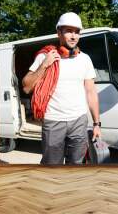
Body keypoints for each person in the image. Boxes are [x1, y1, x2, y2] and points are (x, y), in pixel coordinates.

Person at [22, 12, 101, 165]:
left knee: (76, 164)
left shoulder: (85, 59)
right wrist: (45, 65)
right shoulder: (45, 57)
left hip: (79, 120)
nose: (73, 36)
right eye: (69, 31)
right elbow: (26, 87)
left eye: (77, 32)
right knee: (52, 165)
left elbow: (91, 92)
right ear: (59, 32)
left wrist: (97, 124)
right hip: (53, 121)